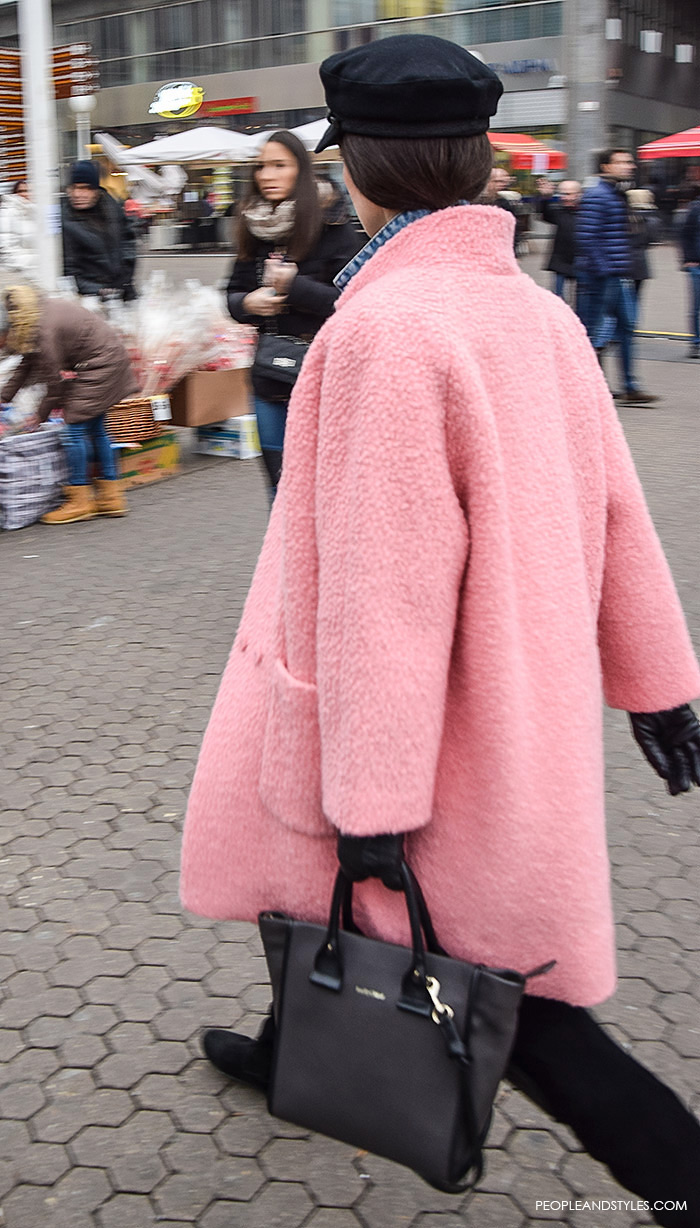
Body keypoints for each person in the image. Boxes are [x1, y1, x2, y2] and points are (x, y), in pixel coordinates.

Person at [180, 35, 700, 1225]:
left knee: (512, 1010)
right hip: (509, 716)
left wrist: (368, 811)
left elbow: (383, 602)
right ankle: (284, 1046)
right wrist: (659, 686)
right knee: (326, 920)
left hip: (419, 757)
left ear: (355, 170)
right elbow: (620, 514)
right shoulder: (536, 315)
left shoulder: (381, 333)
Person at [226, 131, 360, 498]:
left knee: (321, 484)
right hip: (268, 373)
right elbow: (232, 294)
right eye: (261, 166)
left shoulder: (333, 226)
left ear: (301, 170)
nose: (266, 175)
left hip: (321, 374)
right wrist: (247, 304)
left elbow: (352, 301)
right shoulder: (254, 225)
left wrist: (295, 287)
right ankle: (283, 556)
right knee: (278, 483)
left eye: (278, 166)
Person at [0, 284, 137, 523]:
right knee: (96, 429)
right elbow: (27, 364)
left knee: (73, 430)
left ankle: (80, 500)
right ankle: (111, 497)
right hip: (106, 360)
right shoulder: (35, 314)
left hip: (99, 367)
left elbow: (55, 385)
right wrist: (3, 398)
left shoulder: (42, 332)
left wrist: (39, 416)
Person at [577, 149, 658, 406]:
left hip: (617, 273)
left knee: (626, 328)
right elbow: (586, 237)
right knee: (595, 332)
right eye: (622, 162)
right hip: (602, 276)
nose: (630, 166)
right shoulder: (597, 195)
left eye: (629, 162)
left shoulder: (616, 194)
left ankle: (630, 386)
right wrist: (604, 268)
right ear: (605, 166)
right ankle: (590, 386)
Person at [61, 160, 137, 302]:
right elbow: (68, 270)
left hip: (122, 293)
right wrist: (97, 290)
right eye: (73, 188)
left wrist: (124, 281)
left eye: (85, 188)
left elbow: (128, 244)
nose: (78, 194)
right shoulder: (65, 220)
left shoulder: (111, 207)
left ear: (95, 190)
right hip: (91, 300)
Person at [535, 177, 581, 303]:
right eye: (562, 194)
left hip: (580, 260)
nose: (565, 197)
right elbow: (545, 214)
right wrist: (545, 197)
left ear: (578, 194)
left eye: (568, 194)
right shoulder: (558, 210)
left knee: (580, 296)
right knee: (557, 297)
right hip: (560, 259)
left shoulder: (586, 212)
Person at [626, 187, 661, 309]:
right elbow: (652, 240)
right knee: (636, 296)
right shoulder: (653, 220)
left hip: (624, 259)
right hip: (640, 260)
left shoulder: (626, 217)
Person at [0, 180, 38, 286]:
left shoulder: (36, 212)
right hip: (18, 279)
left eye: (28, 191)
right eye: (21, 191)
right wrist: (34, 263)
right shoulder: (7, 213)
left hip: (36, 277)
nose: (25, 194)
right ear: (14, 193)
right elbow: (6, 252)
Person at [680, 184, 700, 358]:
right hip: (697, 265)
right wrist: (688, 259)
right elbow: (685, 234)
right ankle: (696, 343)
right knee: (696, 307)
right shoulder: (695, 209)